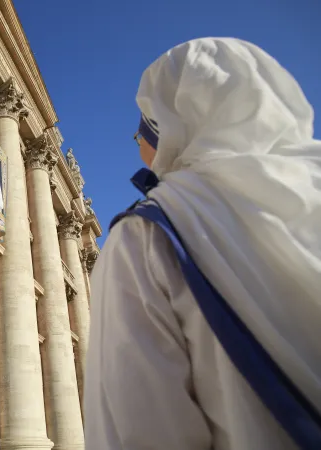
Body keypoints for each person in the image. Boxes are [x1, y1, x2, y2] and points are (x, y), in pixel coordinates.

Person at [84, 38, 321, 449]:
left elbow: (137, 432)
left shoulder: (146, 235)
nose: (137, 141)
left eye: (140, 129)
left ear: (168, 126)